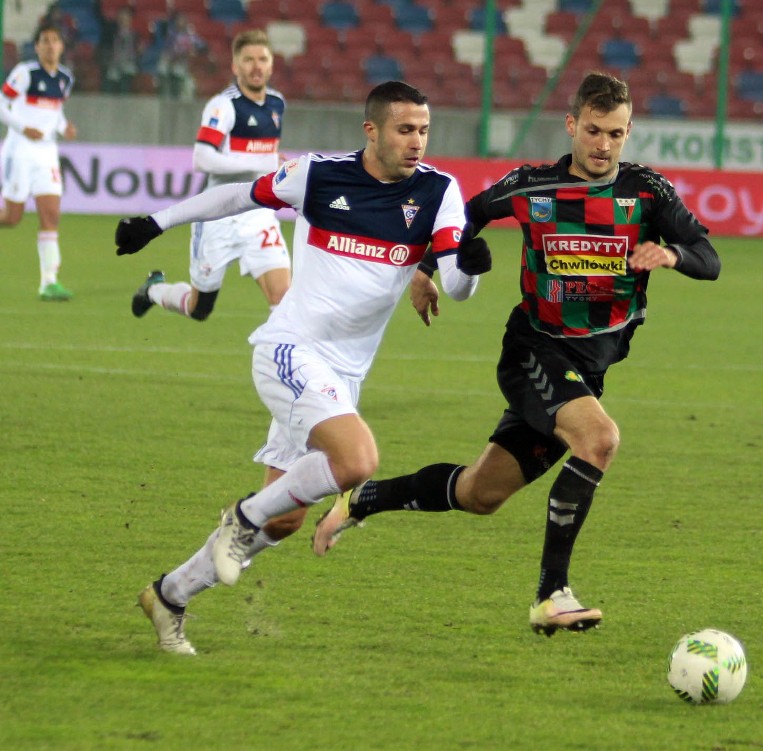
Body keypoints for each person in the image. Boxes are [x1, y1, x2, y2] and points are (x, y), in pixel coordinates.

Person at [312, 71, 721, 636]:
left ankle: (364, 500)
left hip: (586, 369)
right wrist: (429, 268)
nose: (604, 145)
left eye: (617, 134)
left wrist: (672, 255)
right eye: (595, 130)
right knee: (598, 439)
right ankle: (552, 593)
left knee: (480, 494)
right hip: (533, 352)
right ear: (573, 125)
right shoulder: (531, 186)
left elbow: (710, 257)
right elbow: (467, 215)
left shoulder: (647, 191)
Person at [116, 81, 493, 654]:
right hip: (289, 349)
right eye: (404, 130)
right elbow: (238, 196)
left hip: (342, 375)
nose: (417, 142)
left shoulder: (439, 191)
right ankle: (240, 520)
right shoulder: (319, 175)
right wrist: (157, 221)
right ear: (372, 131)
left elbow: (457, 284)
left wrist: (470, 267)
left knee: (285, 519)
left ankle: (170, 596)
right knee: (358, 459)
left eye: (424, 130)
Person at [131, 29, 291, 323]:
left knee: (284, 297)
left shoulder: (277, 103)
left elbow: (264, 158)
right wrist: (260, 160)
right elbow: (202, 158)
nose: (256, 66)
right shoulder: (223, 105)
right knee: (199, 308)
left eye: (262, 59)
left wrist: (271, 165)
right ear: (235, 66)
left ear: (271, 64)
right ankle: (155, 290)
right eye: (248, 60)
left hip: (258, 214)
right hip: (219, 216)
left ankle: (279, 364)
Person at [0, 25, 76, 301]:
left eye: (55, 41)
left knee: (51, 215)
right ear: (37, 47)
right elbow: (1, 103)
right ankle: (48, 281)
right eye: (45, 41)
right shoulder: (25, 73)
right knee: (12, 217)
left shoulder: (66, 78)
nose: (50, 46)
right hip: (19, 150)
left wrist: (65, 126)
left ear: (61, 47)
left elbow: (56, 111)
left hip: (47, 153)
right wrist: (22, 127)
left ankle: (49, 283)